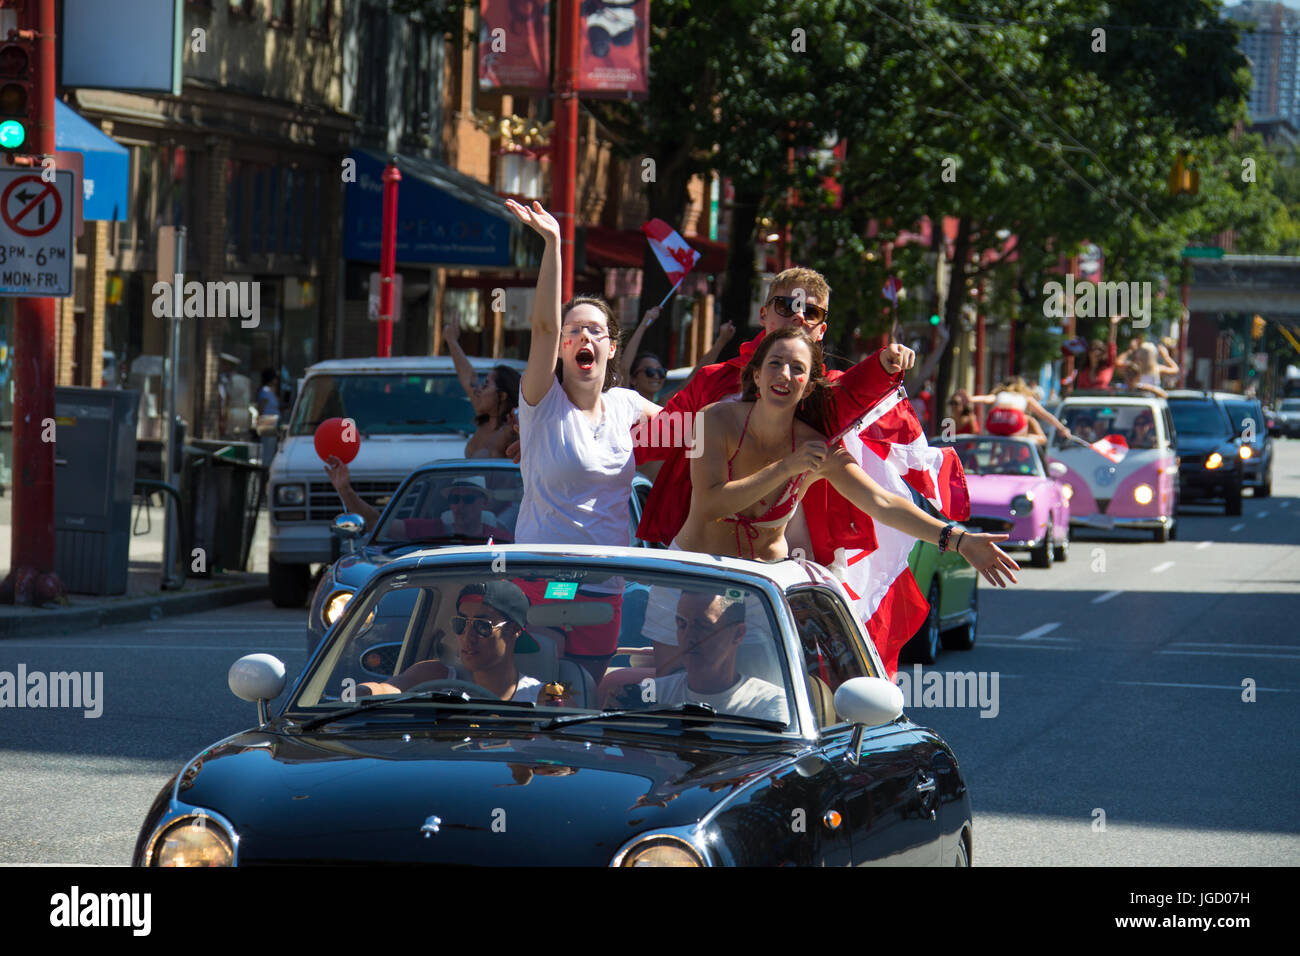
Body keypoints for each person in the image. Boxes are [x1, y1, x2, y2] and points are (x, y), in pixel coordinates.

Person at [674, 327, 1021, 587]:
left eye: (797, 368)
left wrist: (959, 539)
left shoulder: (818, 448)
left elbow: (883, 502)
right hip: (693, 579)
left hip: (761, 591)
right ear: (756, 375)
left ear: (809, 385)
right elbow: (710, 505)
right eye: (775, 364)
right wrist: (788, 467)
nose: (784, 375)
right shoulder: (712, 420)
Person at [634, 266, 915, 568]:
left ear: (822, 330)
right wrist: (597, 430)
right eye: (787, 306)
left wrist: (882, 366)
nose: (798, 316)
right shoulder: (713, 381)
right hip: (705, 557)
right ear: (763, 314)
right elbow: (657, 438)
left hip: (795, 558)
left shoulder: (819, 390)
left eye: (811, 311)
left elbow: (848, 392)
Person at [504, 199, 662, 681]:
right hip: (543, 579)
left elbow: (695, 430)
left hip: (604, 585)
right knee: (543, 689)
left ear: (611, 347)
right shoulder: (541, 400)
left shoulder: (628, 405)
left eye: (595, 330)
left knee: (587, 699)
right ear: (563, 348)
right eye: (574, 332)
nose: (582, 337)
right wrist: (553, 243)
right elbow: (544, 326)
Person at [358, 582, 543, 701]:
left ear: (514, 631)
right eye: (461, 623)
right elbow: (387, 689)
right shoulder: (434, 676)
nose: (467, 636)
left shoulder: (543, 699)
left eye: (482, 626)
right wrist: (362, 693)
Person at [626, 589, 789, 723]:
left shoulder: (768, 704)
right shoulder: (651, 694)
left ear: (738, 634)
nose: (689, 637)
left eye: (703, 627)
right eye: (682, 624)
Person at [443, 315, 521, 458]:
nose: (478, 390)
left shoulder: (513, 432)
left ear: (502, 396)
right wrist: (451, 341)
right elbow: (468, 379)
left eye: (486, 385)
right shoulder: (486, 417)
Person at [971, 377, 1070, 444]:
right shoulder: (1025, 397)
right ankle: (1025, 438)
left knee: (999, 440)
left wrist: (968, 398)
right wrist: (1061, 428)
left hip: (995, 421)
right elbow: (1044, 415)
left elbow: (984, 399)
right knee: (1027, 420)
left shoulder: (1000, 395)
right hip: (1015, 421)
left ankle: (993, 459)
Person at [1072, 315, 1122, 390]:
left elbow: (1111, 345)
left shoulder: (1107, 366)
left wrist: (1113, 324)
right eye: (1093, 349)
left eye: (1099, 350)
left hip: (1103, 400)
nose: (1096, 352)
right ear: (1089, 353)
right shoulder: (1083, 370)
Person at [255, 367, 281, 466]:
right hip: (267, 421)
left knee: (272, 448)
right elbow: (261, 407)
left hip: (273, 421)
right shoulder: (265, 391)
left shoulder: (271, 391)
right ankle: (265, 471)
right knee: (268, 450)